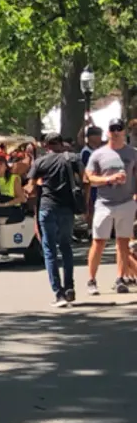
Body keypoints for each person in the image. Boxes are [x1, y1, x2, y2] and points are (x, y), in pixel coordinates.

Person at [27, 133, 84, 306]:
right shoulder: (73, 158)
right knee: (66, 247)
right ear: (62, 143)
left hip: (47, 208)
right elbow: (85, 179)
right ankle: (69, 287)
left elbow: (30, 188)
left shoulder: (40, 162)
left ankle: (58, 293)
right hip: (67, 208)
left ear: (46, 145)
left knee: (50, 250)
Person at [84, 118, 137, 296]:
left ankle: (120, 278)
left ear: (124, 132)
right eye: (112, 129)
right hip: (104, 203)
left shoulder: (132, 153)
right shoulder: (98, 154)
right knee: (98, 242)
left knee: (123, 242)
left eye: (119, 128)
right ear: (108, 132)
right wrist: (108, 179)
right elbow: (89, 178)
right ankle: (91, 280)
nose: (115, 132)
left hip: (127, 202)